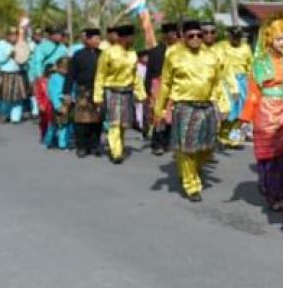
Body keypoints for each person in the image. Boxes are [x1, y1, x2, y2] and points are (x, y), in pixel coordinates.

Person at [154, 19, 236, 202]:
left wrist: (224, 105)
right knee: (187, 149)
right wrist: (159, 109)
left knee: (207, 148)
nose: (196, 38)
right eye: (191, 36)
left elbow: (217, 83)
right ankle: (191, 185)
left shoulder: (211, 56)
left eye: (199, 35)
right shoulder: (173, 56)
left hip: (207, 107)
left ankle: (190, 169)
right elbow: (166, 84)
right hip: (184, 107)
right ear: (183, 37)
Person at [241, 14, 283, 211]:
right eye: (279, 39)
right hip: (266, 113)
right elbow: (253, 93)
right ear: (269, 39)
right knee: (268, 157)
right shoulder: (259, 64)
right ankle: (272, 194)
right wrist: (246, 118)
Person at [94, 24, 146, 164]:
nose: (133, 39)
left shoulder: (133, 53)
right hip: (112, 91)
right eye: (131, 37)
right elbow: (100, 75)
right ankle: (115, 152)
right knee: (114, 122)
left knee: (124, 123)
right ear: (123, 38)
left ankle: (119, 147)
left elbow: (135, 75)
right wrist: (98, 96)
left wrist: (141, 93)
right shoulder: (108, 53)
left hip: (127, 92)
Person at [216, 25, 253, 148]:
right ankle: (223, 137)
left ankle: (234, 140)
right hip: (226, 81)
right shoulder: (221, 46)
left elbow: (250, 66)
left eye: (239, 37)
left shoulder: (246, 48)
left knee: (240, 112)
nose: (237, 39)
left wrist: (251, 82)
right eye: (234, 36)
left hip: (242, 81)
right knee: (228, 111)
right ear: (229, 36)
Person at [144, 22, 178, 153]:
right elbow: (149, 73)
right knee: (159, 116)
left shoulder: (179, 51)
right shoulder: (155, 51)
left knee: (171, 116)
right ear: (165, 35)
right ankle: (157, 143)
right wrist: (147, 90)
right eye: (171, 33)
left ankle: (167, 141)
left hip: (174, 87)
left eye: (175, 34)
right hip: (158, 87)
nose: (174, 36)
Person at [69, 28, 103, 157]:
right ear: (88, 39)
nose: (98, 41)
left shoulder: (103, 54)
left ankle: (95, 145)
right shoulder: (78, 55)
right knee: (82, 120)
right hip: (83, 90)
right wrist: (66, 92)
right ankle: (82, 146)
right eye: (95, 38)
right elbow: (70, 75)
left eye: (99, 38)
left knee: (97, 120)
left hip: (99, 91)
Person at [0, 27, 29, 124]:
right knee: (5, 97)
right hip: (5, 74)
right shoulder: (0, 45)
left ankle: (16, 117)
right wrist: (9, 55)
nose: (13, 37)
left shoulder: (21, 45)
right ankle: (5, 114)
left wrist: (23, 59)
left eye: (15, 35)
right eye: (11, 35)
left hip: (17, 73)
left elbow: (25, 60)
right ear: (7, 36)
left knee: (18, 98)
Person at [44, 59, 72, 150]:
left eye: (67, 68)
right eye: (63, 68)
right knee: (54, 125)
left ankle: (63, 143)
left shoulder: (69, 78)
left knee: (65, 124)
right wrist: (57, 106)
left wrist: (72, 98)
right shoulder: (54, 78)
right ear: (58, 68)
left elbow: (73, 89)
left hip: (68, 103)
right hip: (57, 104)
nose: (65, 70)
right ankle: (48, 141)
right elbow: (53, 93)